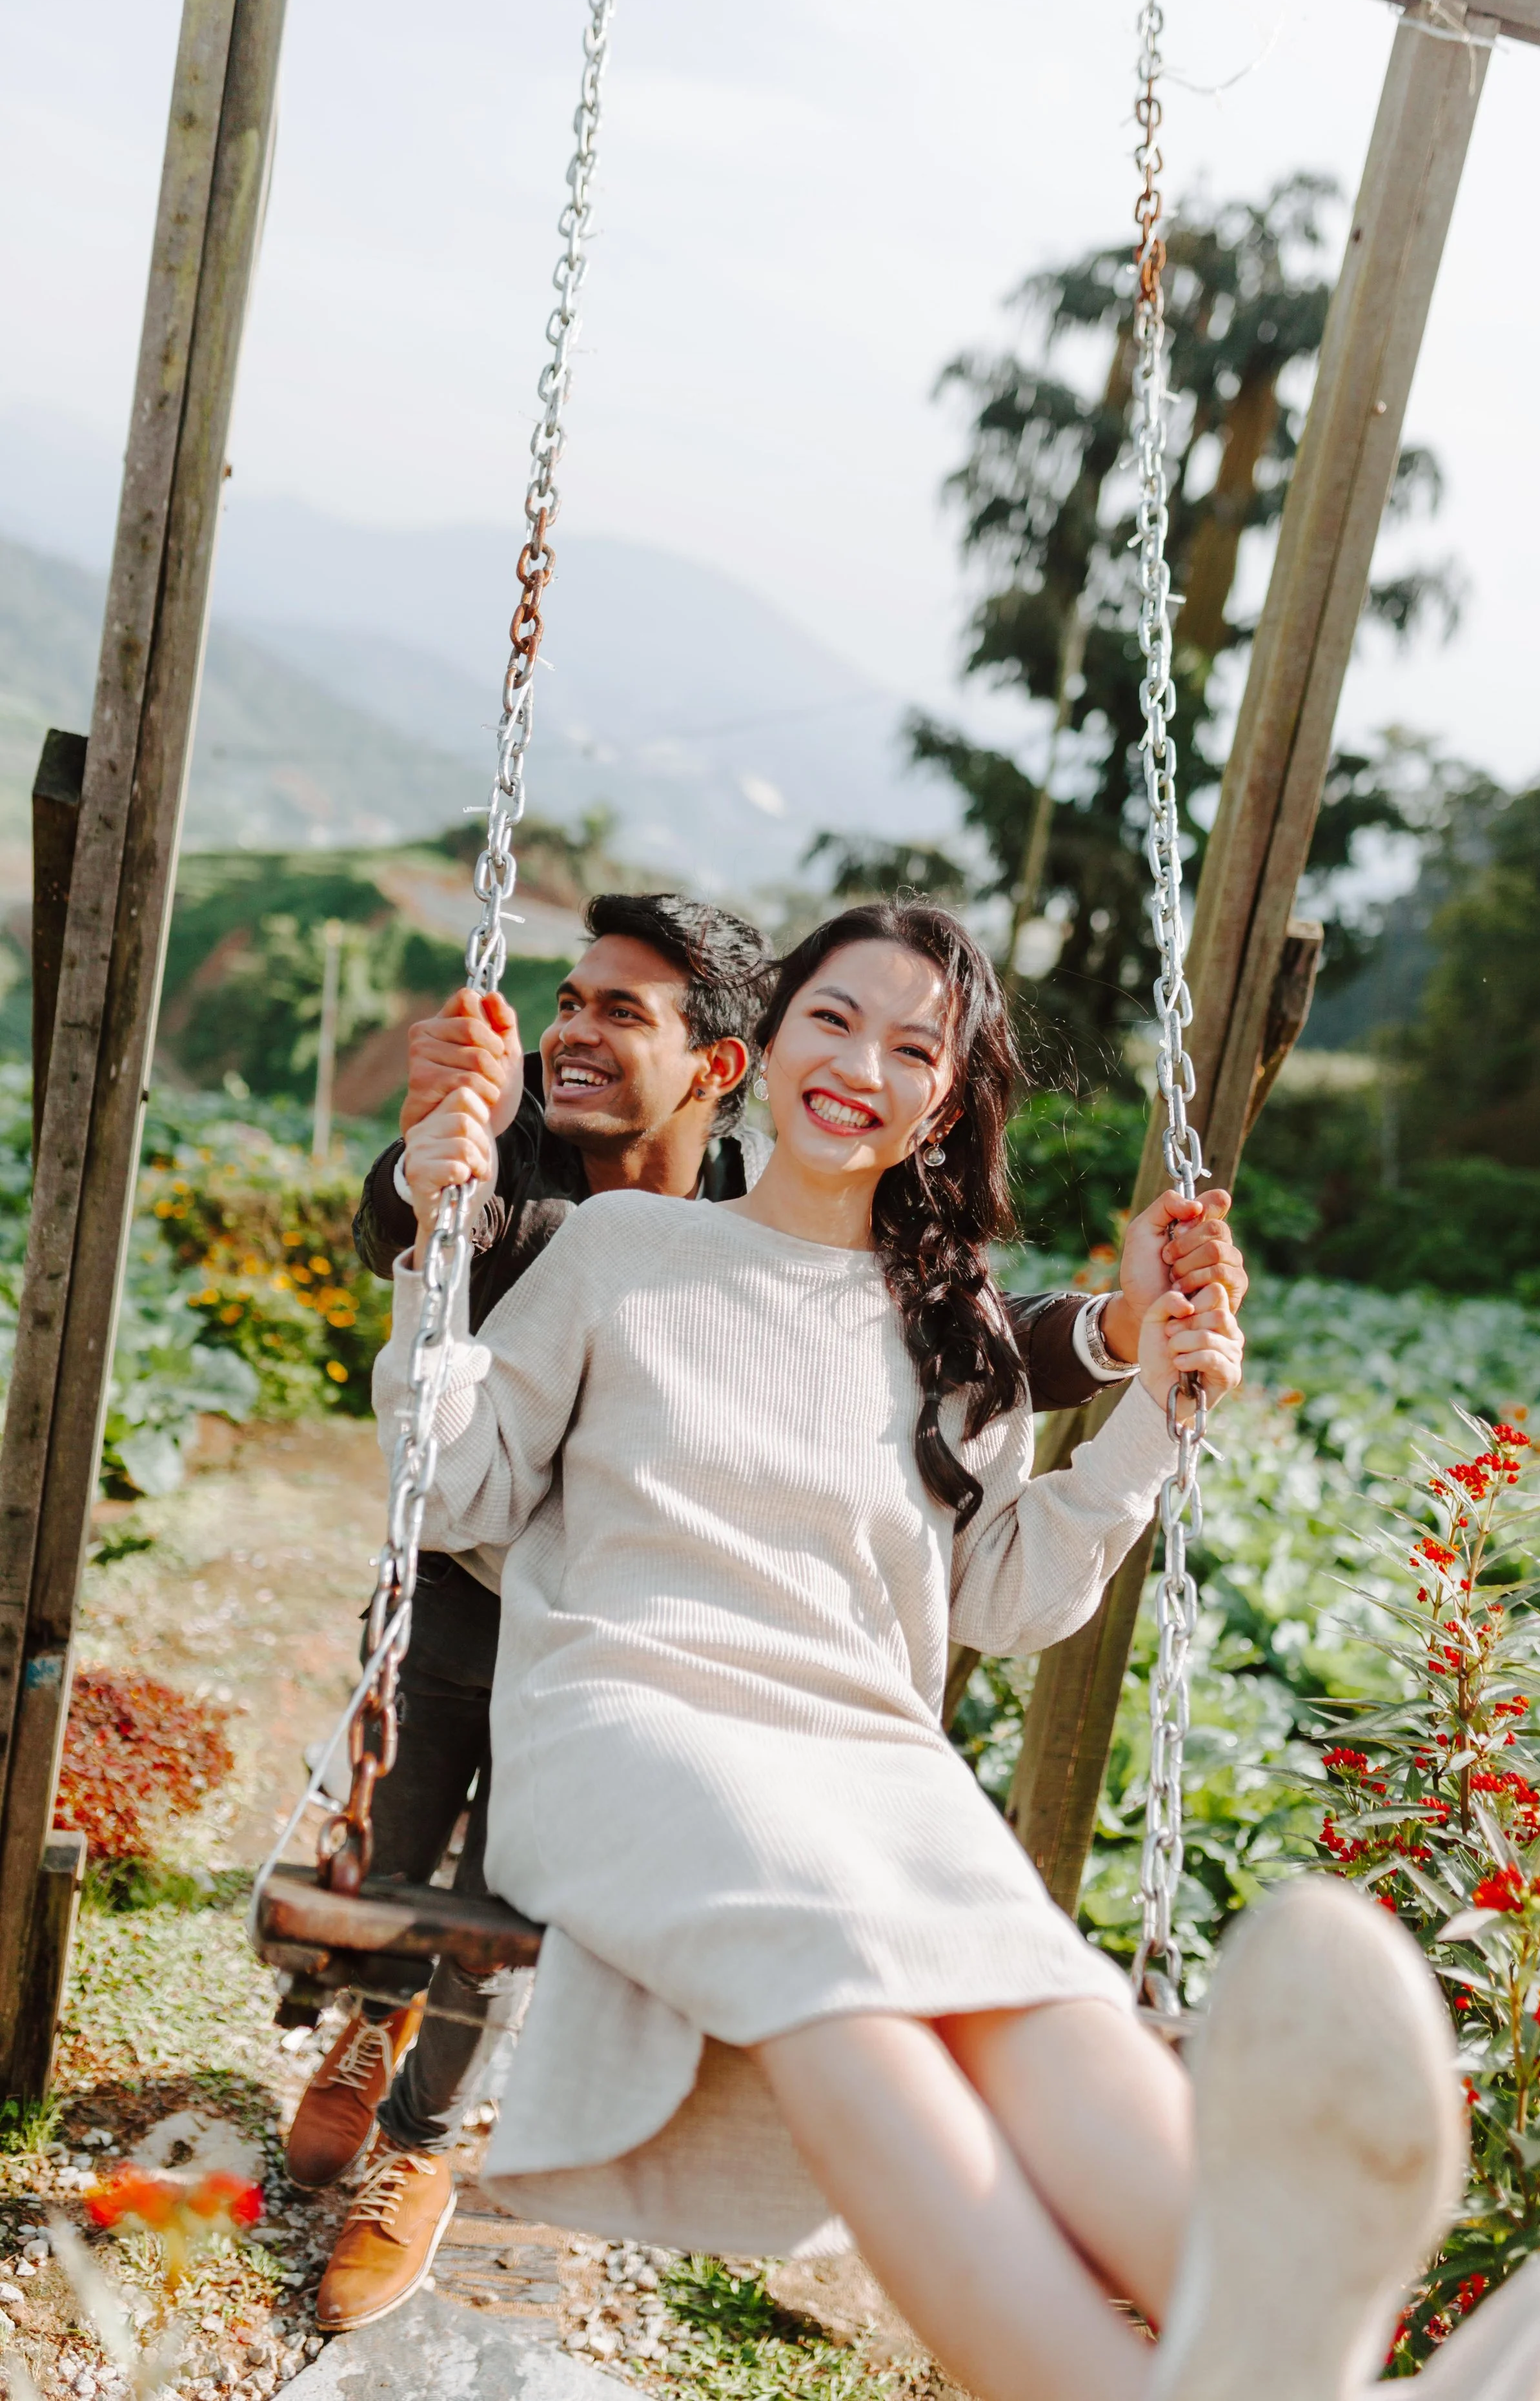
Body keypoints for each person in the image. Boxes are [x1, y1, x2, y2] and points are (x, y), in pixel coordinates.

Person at [293, 890, 1251, 2335]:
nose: (861, 1065)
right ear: (773, 1038)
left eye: (913, 1051)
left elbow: (1004, 1595)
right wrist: (434, 1243)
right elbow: (460, 1494)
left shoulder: (953, 1323)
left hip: (863, 1756)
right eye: (834, 1017)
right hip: (632, 1717)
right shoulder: (617, 1250)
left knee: (1019, 1962)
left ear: (942, 1110)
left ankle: (1261, 2324)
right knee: (852, 1969)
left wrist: (1149, 1412)